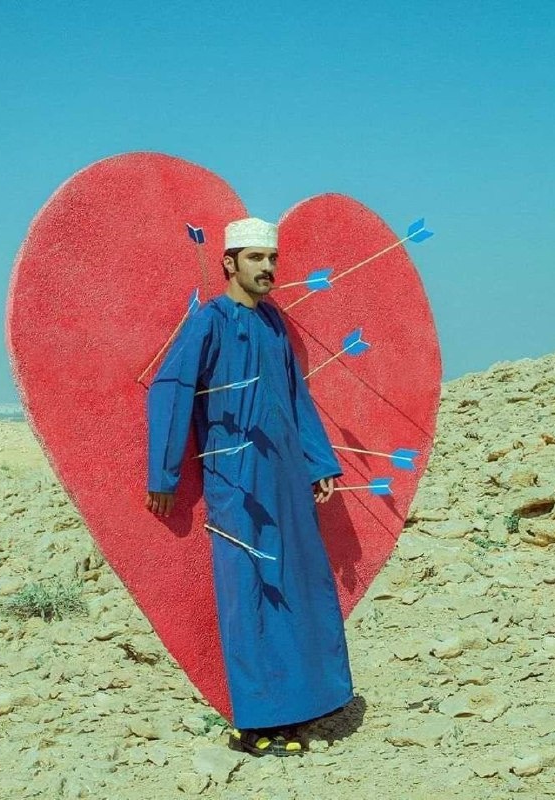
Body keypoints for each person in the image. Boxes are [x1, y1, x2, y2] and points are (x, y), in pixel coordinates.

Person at [146, 217, 354, 756]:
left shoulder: (273, 323)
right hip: (236, 482)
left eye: (272, 259)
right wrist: (164, 475)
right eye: (256, 258)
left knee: (298, 584)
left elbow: (295, 395)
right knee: (251, 592)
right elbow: (169, 390)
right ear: (229, 262)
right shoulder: (209, 322)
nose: (267, 268)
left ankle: (305, 704)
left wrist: (318, 463)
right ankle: (257, 722)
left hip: (286, 478)